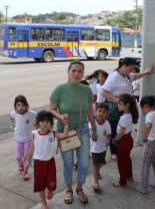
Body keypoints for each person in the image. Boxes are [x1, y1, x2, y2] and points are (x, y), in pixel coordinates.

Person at [50, 60, 97, 205]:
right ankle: (69, 189)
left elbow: (90, 111)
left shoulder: (86, 90)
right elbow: (52, 109)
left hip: (82, 129)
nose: (77, 74)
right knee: (68, 163)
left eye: (80, 71)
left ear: (83, 73)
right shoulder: (59, 89)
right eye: (74, 70)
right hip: (65, 132)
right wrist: (60, 116)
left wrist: (94, 129)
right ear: (68, 72)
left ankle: (80, 187)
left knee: (83, 163)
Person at [102, 57, 155, 159]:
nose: (131, 71)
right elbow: (104, 92)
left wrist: (146, 72)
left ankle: (122, 148)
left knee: (124, 129)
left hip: (125, 106)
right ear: (124, 66)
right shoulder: (114, 77)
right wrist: (118, 101)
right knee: (115, 130)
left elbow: (134, 76)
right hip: (116, 107)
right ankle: (114, 152)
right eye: (130, 69)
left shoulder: (126, 75)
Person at [26, 110, 69, 209]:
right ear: (38, 122)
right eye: (42, 121)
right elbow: (31, 149)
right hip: (38, 163)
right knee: (40, 185)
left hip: (50, 163)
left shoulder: (53, 134)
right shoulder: (34, 134)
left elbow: (64, 135)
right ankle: (44, 204)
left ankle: (50, 189)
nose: (45, 124)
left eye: (48, 121)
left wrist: (66, 124)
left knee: (52, 183)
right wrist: (28, 161)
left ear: (51, 122)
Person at [112, 93, 138, 187]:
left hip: (124, 140)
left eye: (120, 103)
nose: (117, 105)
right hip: (128, 140)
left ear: (127, 105)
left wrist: (115, 139)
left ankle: (122, 182)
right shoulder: (128, 115)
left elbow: (121, 132)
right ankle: (129, 176)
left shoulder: (125, 117)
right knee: (126, 159)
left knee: (121, 161)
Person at [9, 95, 37, 181]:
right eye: (18, 105)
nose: (20, 107)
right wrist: (12, 127)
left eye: (22, 105)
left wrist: (35, 124)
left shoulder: (31, 113)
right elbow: (11, 118)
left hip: (28, 139)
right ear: (15, 106)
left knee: (26, 156)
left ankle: (25, 172)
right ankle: (20, 164)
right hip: (18, 138)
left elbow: (37, 115)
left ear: (26, 105)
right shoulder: (14, 113)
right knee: (18, 156)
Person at [90, 102, 111, 193]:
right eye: (99, 111)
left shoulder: (107, 124)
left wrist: (108, 140)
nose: (101, 113)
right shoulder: (92, 122)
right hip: (94, 148)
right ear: (95, 112)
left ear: (107, 114)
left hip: (103, 148)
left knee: (101, 163)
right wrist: (93, 135)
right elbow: (91, 130)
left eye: (104, 112)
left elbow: (109, 134)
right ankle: (96, 183)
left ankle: (95, 171)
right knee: (95, 165)